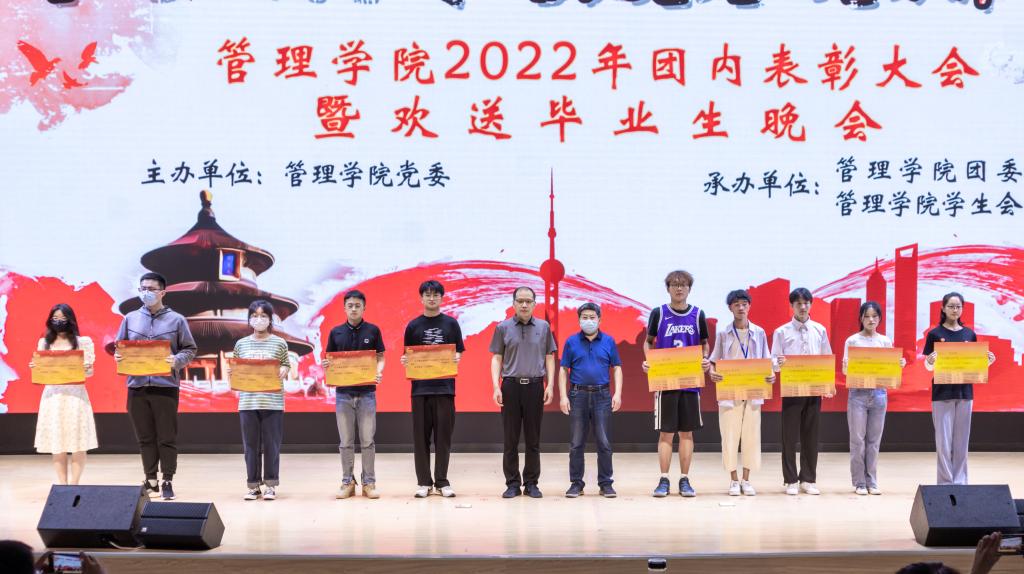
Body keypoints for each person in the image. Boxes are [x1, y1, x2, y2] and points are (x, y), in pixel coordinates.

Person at [114, 272, 197, 500]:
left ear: (162, 292)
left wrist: (176, 360)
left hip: (165, 386)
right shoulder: (130, 318)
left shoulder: (177, 320)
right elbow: (119, 347)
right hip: (137, 386)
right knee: (145, 437)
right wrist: (119, 356)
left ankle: (167, 480)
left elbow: (190, 349)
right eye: (143, 289)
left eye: (151, 289)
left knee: (166, 437)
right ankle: (150, 480)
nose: (146, 293)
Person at [642, 270, 711, 498]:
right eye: (674, 284)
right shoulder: (659, 313)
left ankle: (684, 479)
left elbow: (704, 344)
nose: (679, 288)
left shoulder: (698, 314)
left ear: (689, 288)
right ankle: (663, 479)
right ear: (668, 288)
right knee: (666, 433)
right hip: (666, 382)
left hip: (690, 383)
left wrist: (705, 359)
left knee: (686, 433)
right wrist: (649, 362)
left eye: (683, 285)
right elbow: (648, 342)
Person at [490, 286, 557, 499]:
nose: (524, 305)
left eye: (528, 301)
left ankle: (531, 483)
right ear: (513, 304)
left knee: (533, 439)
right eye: (520, 301)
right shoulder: (503, 328)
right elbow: (497, 358)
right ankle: (512, 483)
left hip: (535, 386)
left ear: (535, 304)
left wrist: (550, 385)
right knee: (510, 439)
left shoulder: (544, 327)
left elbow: (549, 357)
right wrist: (496, 386)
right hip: (510, 386)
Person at [923, 292, 996, 485]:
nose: (954, 310)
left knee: (962, 442)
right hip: (942, 393)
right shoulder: (935, 334)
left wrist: (986, 361)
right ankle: (945, 483)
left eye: (958, 307)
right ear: (943, 308)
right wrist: (930, 362)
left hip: (965, 393)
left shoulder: (969, 334)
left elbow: (972, 365)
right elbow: (928, 366)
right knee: (943, 442)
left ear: (962, 309)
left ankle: (960, 482)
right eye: (951, 306)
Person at [708, 290, 774, 496]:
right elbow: (713, 361)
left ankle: (747, 480)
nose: (741, 307)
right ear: (730, 308)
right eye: (736, 304)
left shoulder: (759, 332)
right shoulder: (723, 333)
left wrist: (771, 375)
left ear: (749, 306)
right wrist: (712, 373)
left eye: (744, 303)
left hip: (753, 392)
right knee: (729, 436)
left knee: (751, 437)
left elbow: (767, 360)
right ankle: (733, 480)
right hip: (730, 392)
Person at [402, 280, 464, 498]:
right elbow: (408, 355)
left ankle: (442, 481)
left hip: (445, 389)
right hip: (420, 390)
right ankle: (424, 482)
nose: (431, 298)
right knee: (420, 438)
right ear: (421, 298)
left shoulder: (451, 324)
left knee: (443, 438)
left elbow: (459, 350)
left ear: (441, 297)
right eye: (427, 295)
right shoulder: (413, 326)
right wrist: (405, 360)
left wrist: (456, 358)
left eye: (435, 294)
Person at [323, 290, 385, 500]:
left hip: (367, 393)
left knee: (367, 441)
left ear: (364, 307)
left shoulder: (373, 330)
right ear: (344, 308)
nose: (354, 309)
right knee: (346, 442)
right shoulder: (336, 332)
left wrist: (378, 371)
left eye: (358, 305)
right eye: (350, 305)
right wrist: (327, 364)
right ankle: (347, 482)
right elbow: (330, 359)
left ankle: (369, 482)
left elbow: (380, 357)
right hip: (343, 395)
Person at [771, 287, 832, 496]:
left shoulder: (819, 330)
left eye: (806, 303)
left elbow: (826, 358)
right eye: (798, 303)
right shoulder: (782, 331)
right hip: (791, 389)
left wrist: (827, 385)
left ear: (811, 304)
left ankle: (808, 479)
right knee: (789, 436)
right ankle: (790, 480)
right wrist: (778, 363)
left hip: (814, 390)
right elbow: (773, 361)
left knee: (811, 435)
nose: (803, 307)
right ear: (792, 306)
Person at [558, 303, 622, 498]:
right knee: (576, 443)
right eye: (584, 317)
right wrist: (563, 396)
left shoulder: (609, 341)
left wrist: (617, 394)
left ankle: (606, 483)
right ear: (579, 320)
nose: (588, 320)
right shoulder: (571, 342)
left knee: (604, 442)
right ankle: (576, 484)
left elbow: (617, 368)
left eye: (592, 317)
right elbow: (563, 370)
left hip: (602, 396)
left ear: (599, 320)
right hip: (578, 395)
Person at [842, 301, 906, 496]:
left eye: (875, 316)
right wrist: (847, 366)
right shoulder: (852, 341)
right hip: (858, 394)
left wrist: (898, 364)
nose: (871, 320)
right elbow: (845, 371)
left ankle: (872, 480)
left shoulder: (885, 341)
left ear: (880, 319)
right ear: (861, 318)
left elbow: (889, 369)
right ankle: (859, 482)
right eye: (867, 316)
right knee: (857, 440)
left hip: (879, 394)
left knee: (874, 441)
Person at [29, 304, 98, 485]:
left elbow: (90, 373)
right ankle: (62, 485)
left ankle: (74, 485)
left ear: (70, 320)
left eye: (63, 318)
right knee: (57, 443)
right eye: (55, 318)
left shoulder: (83, 342)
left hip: (76, 397)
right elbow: (42, 371)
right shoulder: (44, 343)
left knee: (78, 443)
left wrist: (87, 368)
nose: (58, 322)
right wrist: (35, 367)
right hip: (53, 397)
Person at [230, 300, 290, 501]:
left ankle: (270, 485)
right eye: (254, 315)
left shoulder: (279, 343)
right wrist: (233, 373)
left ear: (270, 319)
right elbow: (236, 368)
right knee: (250, 446)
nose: (259, 319)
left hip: (273, 402)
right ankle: (253, 486)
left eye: (263, 315)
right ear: (249, 319)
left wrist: (285, 369)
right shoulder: (241, 344)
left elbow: (286, 364)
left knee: (272, 445)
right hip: (248, 402)